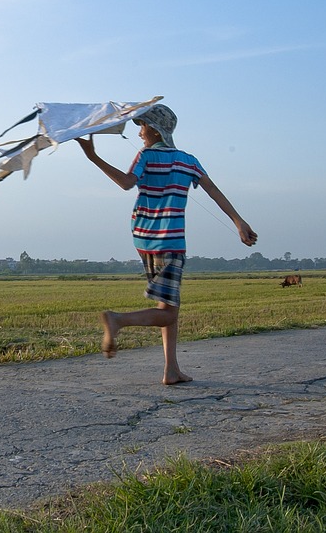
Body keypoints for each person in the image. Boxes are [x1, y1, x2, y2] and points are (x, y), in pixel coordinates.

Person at [76, 104, 257, 385]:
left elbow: (126, 183)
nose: (139, 132)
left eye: (142, 126)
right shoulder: (188, 160)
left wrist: (93, 158)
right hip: (169, 238)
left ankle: (171, 369)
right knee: (169, 311)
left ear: (156, 129)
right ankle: (118, 320)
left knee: (169, 304)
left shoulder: (146, 156)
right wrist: (238, 221)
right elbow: (213, 191)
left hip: (143, 236)